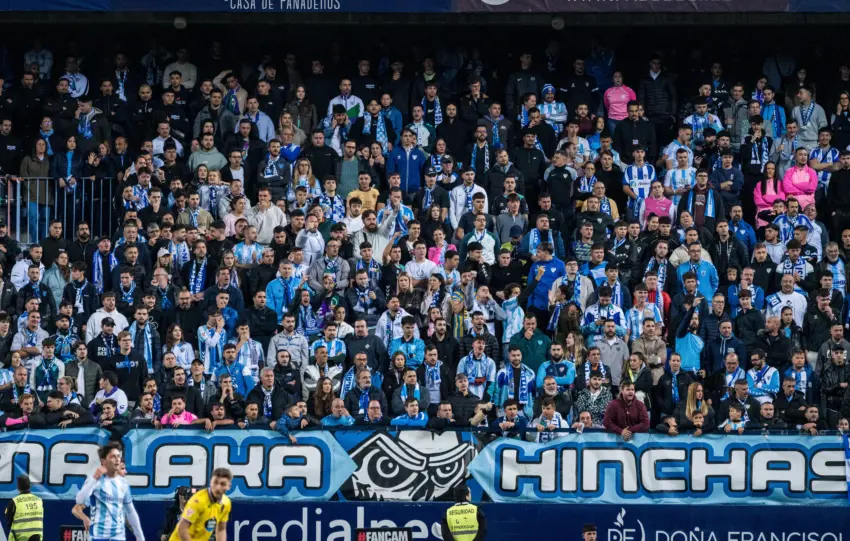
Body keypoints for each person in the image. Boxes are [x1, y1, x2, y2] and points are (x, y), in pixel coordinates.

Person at [73, 442, 145, 541]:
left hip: (119, 537)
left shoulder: (123, 484)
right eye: (113, 456)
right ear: (103, 461)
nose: (117, 459)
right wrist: (94, 478)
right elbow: (79, 501)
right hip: (98, 537)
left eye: (118, 456)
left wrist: (140, 537)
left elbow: (131, 512)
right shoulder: (95, 481)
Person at [168, 468, 233, 541]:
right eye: (215, 482)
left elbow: (221, 529)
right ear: (211, 482)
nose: (218, 487)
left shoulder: (226, 503)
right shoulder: (198, 501)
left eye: (223, 484)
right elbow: (182, 529)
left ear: (229, 486)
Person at [4, 475, 43, 541]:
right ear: (29, 486)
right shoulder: (39, 500)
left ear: (18, 487)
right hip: (37, 537)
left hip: (20, 538)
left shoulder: (14, 501)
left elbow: (8, 519)